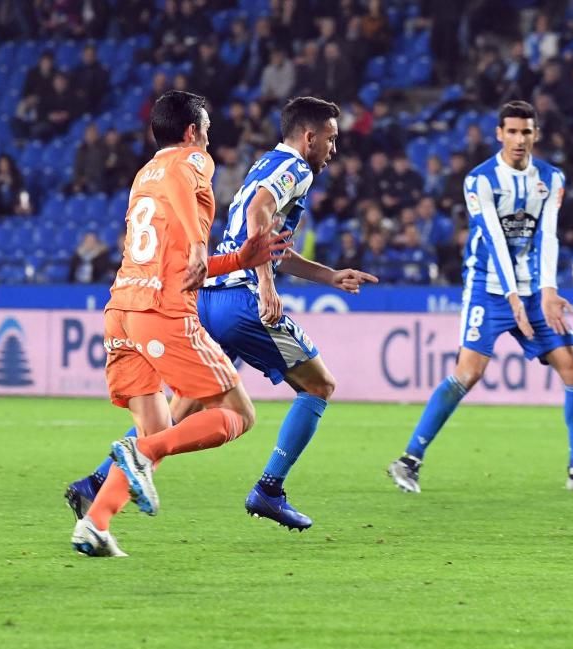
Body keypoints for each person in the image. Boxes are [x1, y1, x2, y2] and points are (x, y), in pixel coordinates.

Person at [66, 96, 376, 541]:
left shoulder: (262, 164)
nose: (334, 148)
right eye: (331, 138)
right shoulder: (294, 169)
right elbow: (258, 216)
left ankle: (97, 488)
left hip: (200, 295)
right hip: (238, 299)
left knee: (180, 410)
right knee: (318, 385)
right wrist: (265, 284)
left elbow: (268, 242)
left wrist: (327, 276)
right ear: (309, 137)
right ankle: (270, 488)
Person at [387, 100, 573, 494]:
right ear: (499, 134)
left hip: (535, 291)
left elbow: (548, 235)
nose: (520, 139)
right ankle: (408, 461)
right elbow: (495, 239)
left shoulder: (551, 179)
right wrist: (513, 299)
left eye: (527, 131)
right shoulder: (480, 181)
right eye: (513, 131)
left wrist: (548, 290)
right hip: (489, 289)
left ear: (536, 134)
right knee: (469, 372)